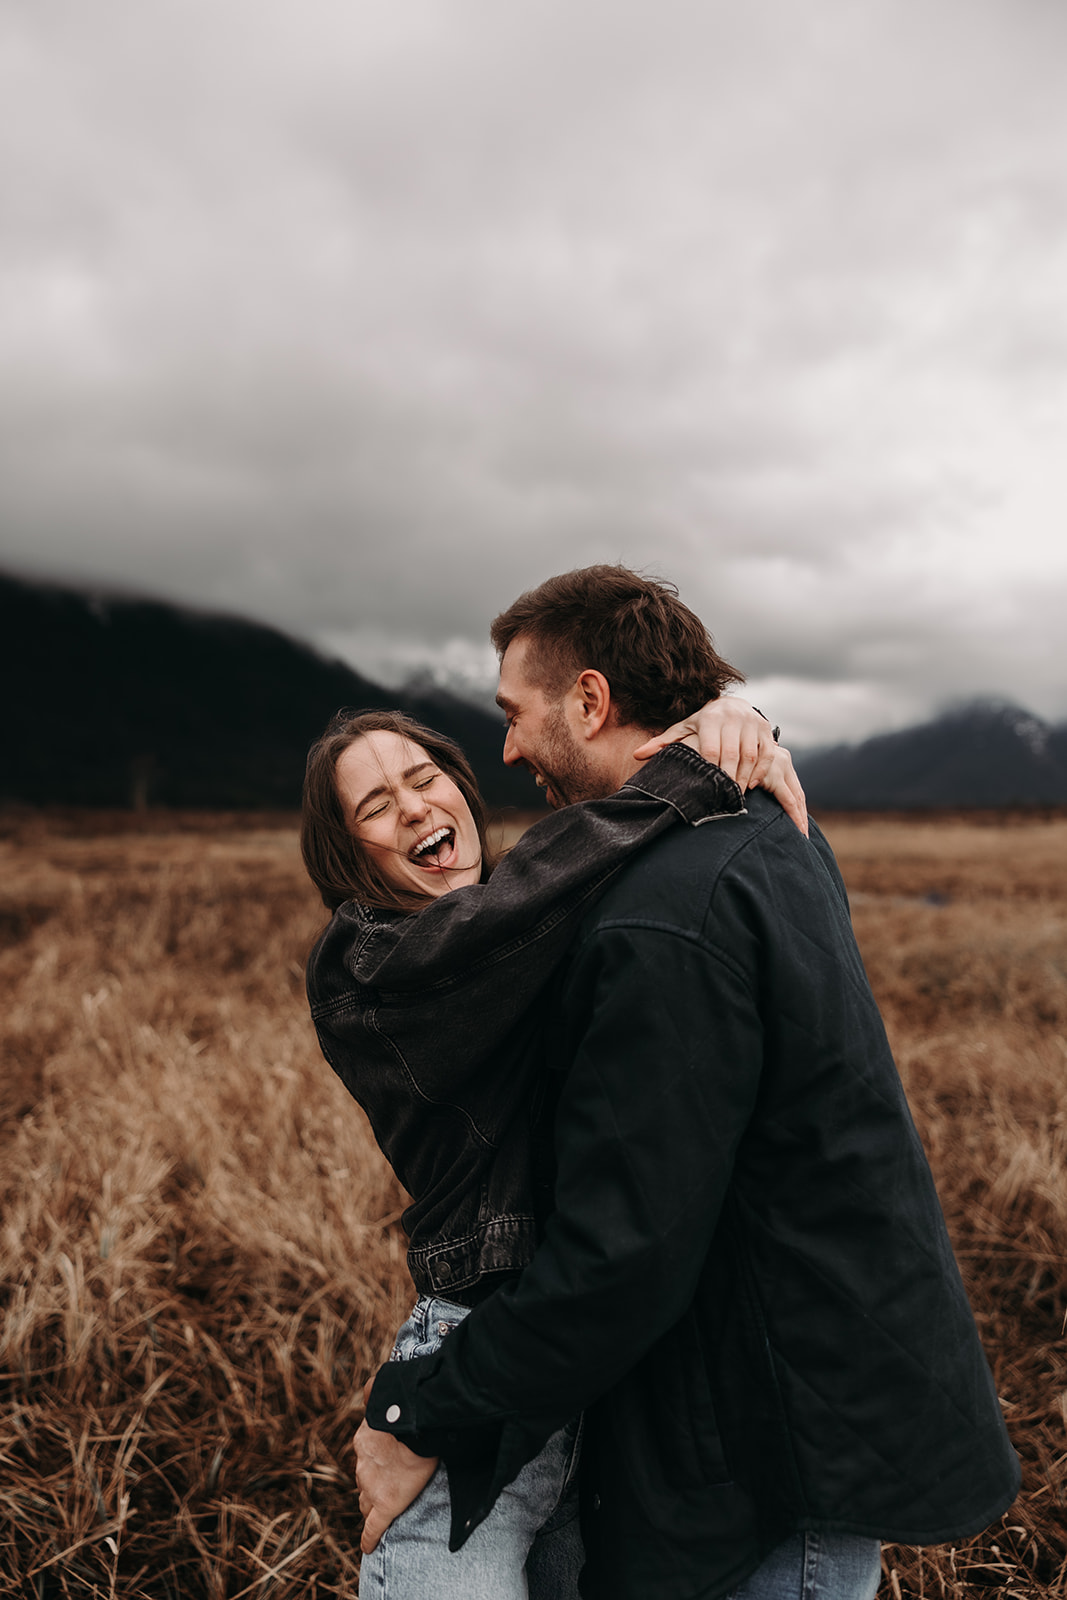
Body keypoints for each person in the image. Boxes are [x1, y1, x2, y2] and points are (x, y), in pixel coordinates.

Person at [356, 565, 1021, 1600]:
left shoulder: (660, 914)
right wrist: (730, 724)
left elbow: (625, 1252)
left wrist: (425, 1413)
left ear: (587, 698)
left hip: (758, 1460)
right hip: (791, 1421)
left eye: (515, 715)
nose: (507, 750)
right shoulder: (761, 830)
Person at [302, 688, 806, 1598]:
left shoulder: (526, 921)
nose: (413, 806)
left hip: (590, 1363)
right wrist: (696, 769)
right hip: (479, 1354)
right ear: (347, 851)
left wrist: (739, 715)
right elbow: (524, 900)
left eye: (424, 779)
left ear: (460, 789)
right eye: (376, 806)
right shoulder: (370, 965)